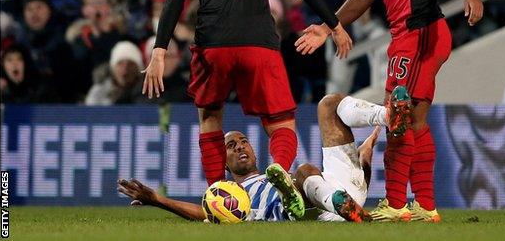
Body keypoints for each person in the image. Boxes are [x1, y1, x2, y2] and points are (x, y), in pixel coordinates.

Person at [295, 0, 483, 221]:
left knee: (396, 119)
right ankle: (425, 206)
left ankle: (396, 204)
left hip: (421, 31)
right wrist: (328, 27)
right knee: (415, 122)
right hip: (408, 36)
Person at [142, 0, 353, 189]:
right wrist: (333, 23)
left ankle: (217, 193)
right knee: (280, 122)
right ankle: (278, 172)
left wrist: (159, 49)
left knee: (211, 116)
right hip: (259, 42)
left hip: (212, 44)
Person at [117, 94, 380, 223]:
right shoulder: (232, 196)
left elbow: (352, 191)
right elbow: (206, 215)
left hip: (339, 198)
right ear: (222, 160)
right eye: (231, 145)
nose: (240, 147)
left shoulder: (272, 173)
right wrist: (158, 200)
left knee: (329, 105)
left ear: (254, 150)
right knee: (304, 171)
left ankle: (387, 115)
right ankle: (296, 205)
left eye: (244, 141)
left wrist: (363, 163)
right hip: (318, 212)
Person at [85, 41, 146, 105]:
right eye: (120, 64)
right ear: (113, 68)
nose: (125, 69)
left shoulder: (149, 93)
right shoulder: (99, 92)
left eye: (130, 64)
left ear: (138, 69)